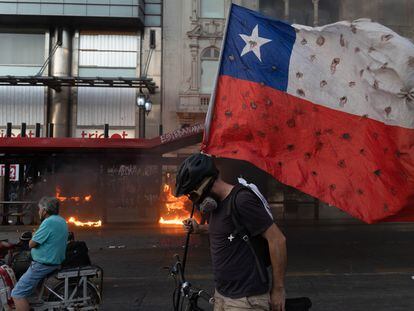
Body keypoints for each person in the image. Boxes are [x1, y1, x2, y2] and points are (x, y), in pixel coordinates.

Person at [176, 153, 287, 311]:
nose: (194, 201)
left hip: (245, 300)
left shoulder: (242, 200)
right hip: (222, 295)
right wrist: (199, 229)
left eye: (193, 194)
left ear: (205, 184)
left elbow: (277, 240)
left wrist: (278, 290)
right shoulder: (217, 204)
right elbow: (229, 229)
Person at [11, 197, 68, 311]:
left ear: (45, 210)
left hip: (43, 264)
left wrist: (33, 235)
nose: (38, 212)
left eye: (39, 209)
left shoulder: (48, 222)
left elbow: (32, 244)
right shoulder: (61, 220)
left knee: (17, 294)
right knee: (37, 286)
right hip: (55, 261)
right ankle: (45, 301)